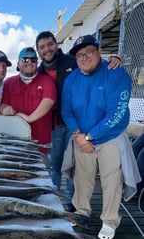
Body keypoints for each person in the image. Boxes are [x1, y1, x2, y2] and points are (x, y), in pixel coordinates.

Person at [61, 34, 141, 239]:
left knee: (112, 179)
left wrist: (89, 137)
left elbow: (116, 113)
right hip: (81, 137)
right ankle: (81, 212)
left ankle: (110, 220)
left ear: (99, 52)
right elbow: (67, 111)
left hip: (110, 137)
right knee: (82, 177)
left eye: (89, 52)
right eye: (79, 55)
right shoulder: (72, 79)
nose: (84, 58)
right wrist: (79, 136)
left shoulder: (116, 73)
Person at [36, 31, 122, 212]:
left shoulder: (71, 61)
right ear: (38, 51)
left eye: (50, 44)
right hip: (56, 125)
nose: (47, 49)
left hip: (79, 125)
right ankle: (53, 201)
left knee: (76, 167)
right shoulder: (39, 71)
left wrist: (114, 58)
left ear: (56, 45)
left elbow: (93, 61)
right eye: (42, 47)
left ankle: (72, 203)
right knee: (56, 165)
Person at [0, 47, 57, 151]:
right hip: (14, 143)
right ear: (18, 64)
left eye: (33, 60)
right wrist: (5, 109)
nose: (29, 62)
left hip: (41, 144)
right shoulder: (8, 83)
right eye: (25, 59)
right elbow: (2, 105)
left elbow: (48, 101)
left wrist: (29, 118)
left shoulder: (47, 81)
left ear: (37, 63)